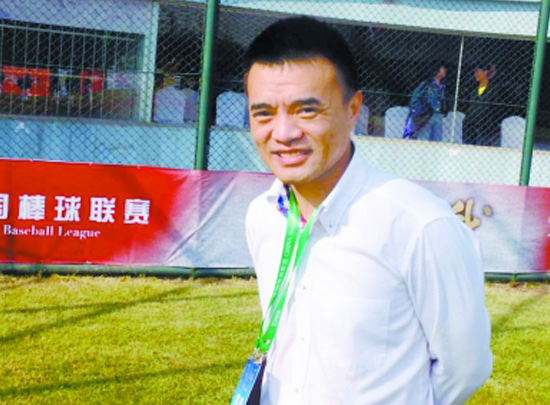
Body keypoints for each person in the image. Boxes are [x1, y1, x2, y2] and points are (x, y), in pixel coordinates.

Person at [241, 16, 492, 404]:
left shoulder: (421, 226)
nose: (284, 133)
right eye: (263, 113)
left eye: (306, 111)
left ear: (353, 108)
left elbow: (465, 369)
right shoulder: (262, 216)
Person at [403, 64, 447, 141]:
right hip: (427, 114)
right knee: (425, 137)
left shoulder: (442, 86)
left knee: (437, 139)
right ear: (437, 70)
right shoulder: (426, 84)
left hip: (438, 114)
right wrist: (419, 109)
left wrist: (444, 109)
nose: (445, 71)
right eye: (443, 69)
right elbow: (416, 97)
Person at [463, 63, 501, 146]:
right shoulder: (473, 88)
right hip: (471, 125)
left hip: (486, 126)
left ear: (485, 72)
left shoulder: (493, 89)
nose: (475, 74)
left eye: (477, 72)